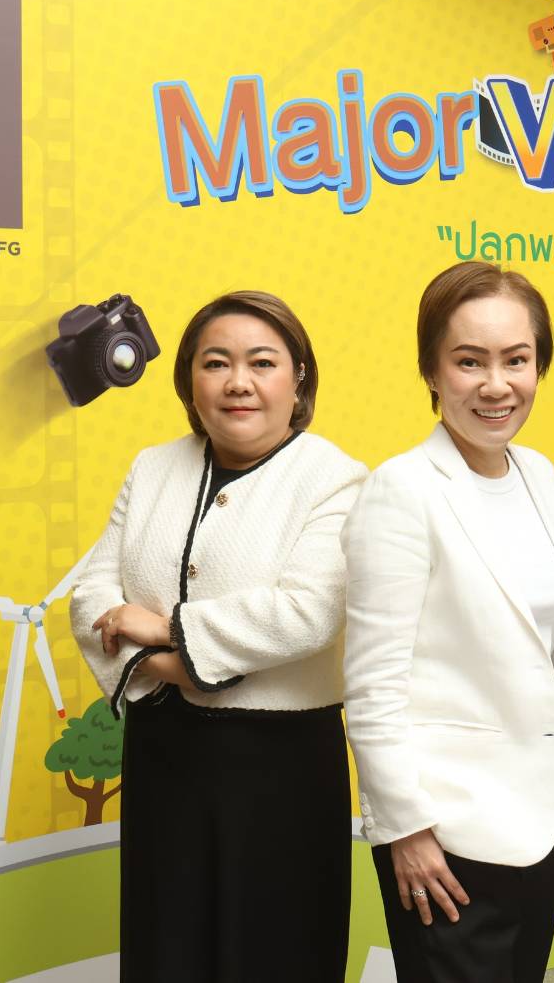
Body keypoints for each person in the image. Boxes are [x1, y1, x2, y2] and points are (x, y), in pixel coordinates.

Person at [70, 291, 366, 982]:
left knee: (276, 953)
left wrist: (161, 629)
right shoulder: (152, 467)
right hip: (164, 756)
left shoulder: (337, 479)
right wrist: (165, 667)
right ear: (188, 381)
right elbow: (91, 594)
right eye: (215, 363)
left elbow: (308, 611)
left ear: (298, 378)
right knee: (167, 947)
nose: (238, 382)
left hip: (280, 767)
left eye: (262, 362)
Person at [342, 261, 554, 982]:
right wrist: (405, 830)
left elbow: (553, 646)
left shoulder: (538, 474)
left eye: (516, 360)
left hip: (537, 816)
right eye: (469, 361)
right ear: (431, 370)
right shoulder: (401, 490)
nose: (496, 385)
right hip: (445, 833)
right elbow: (372, 685)